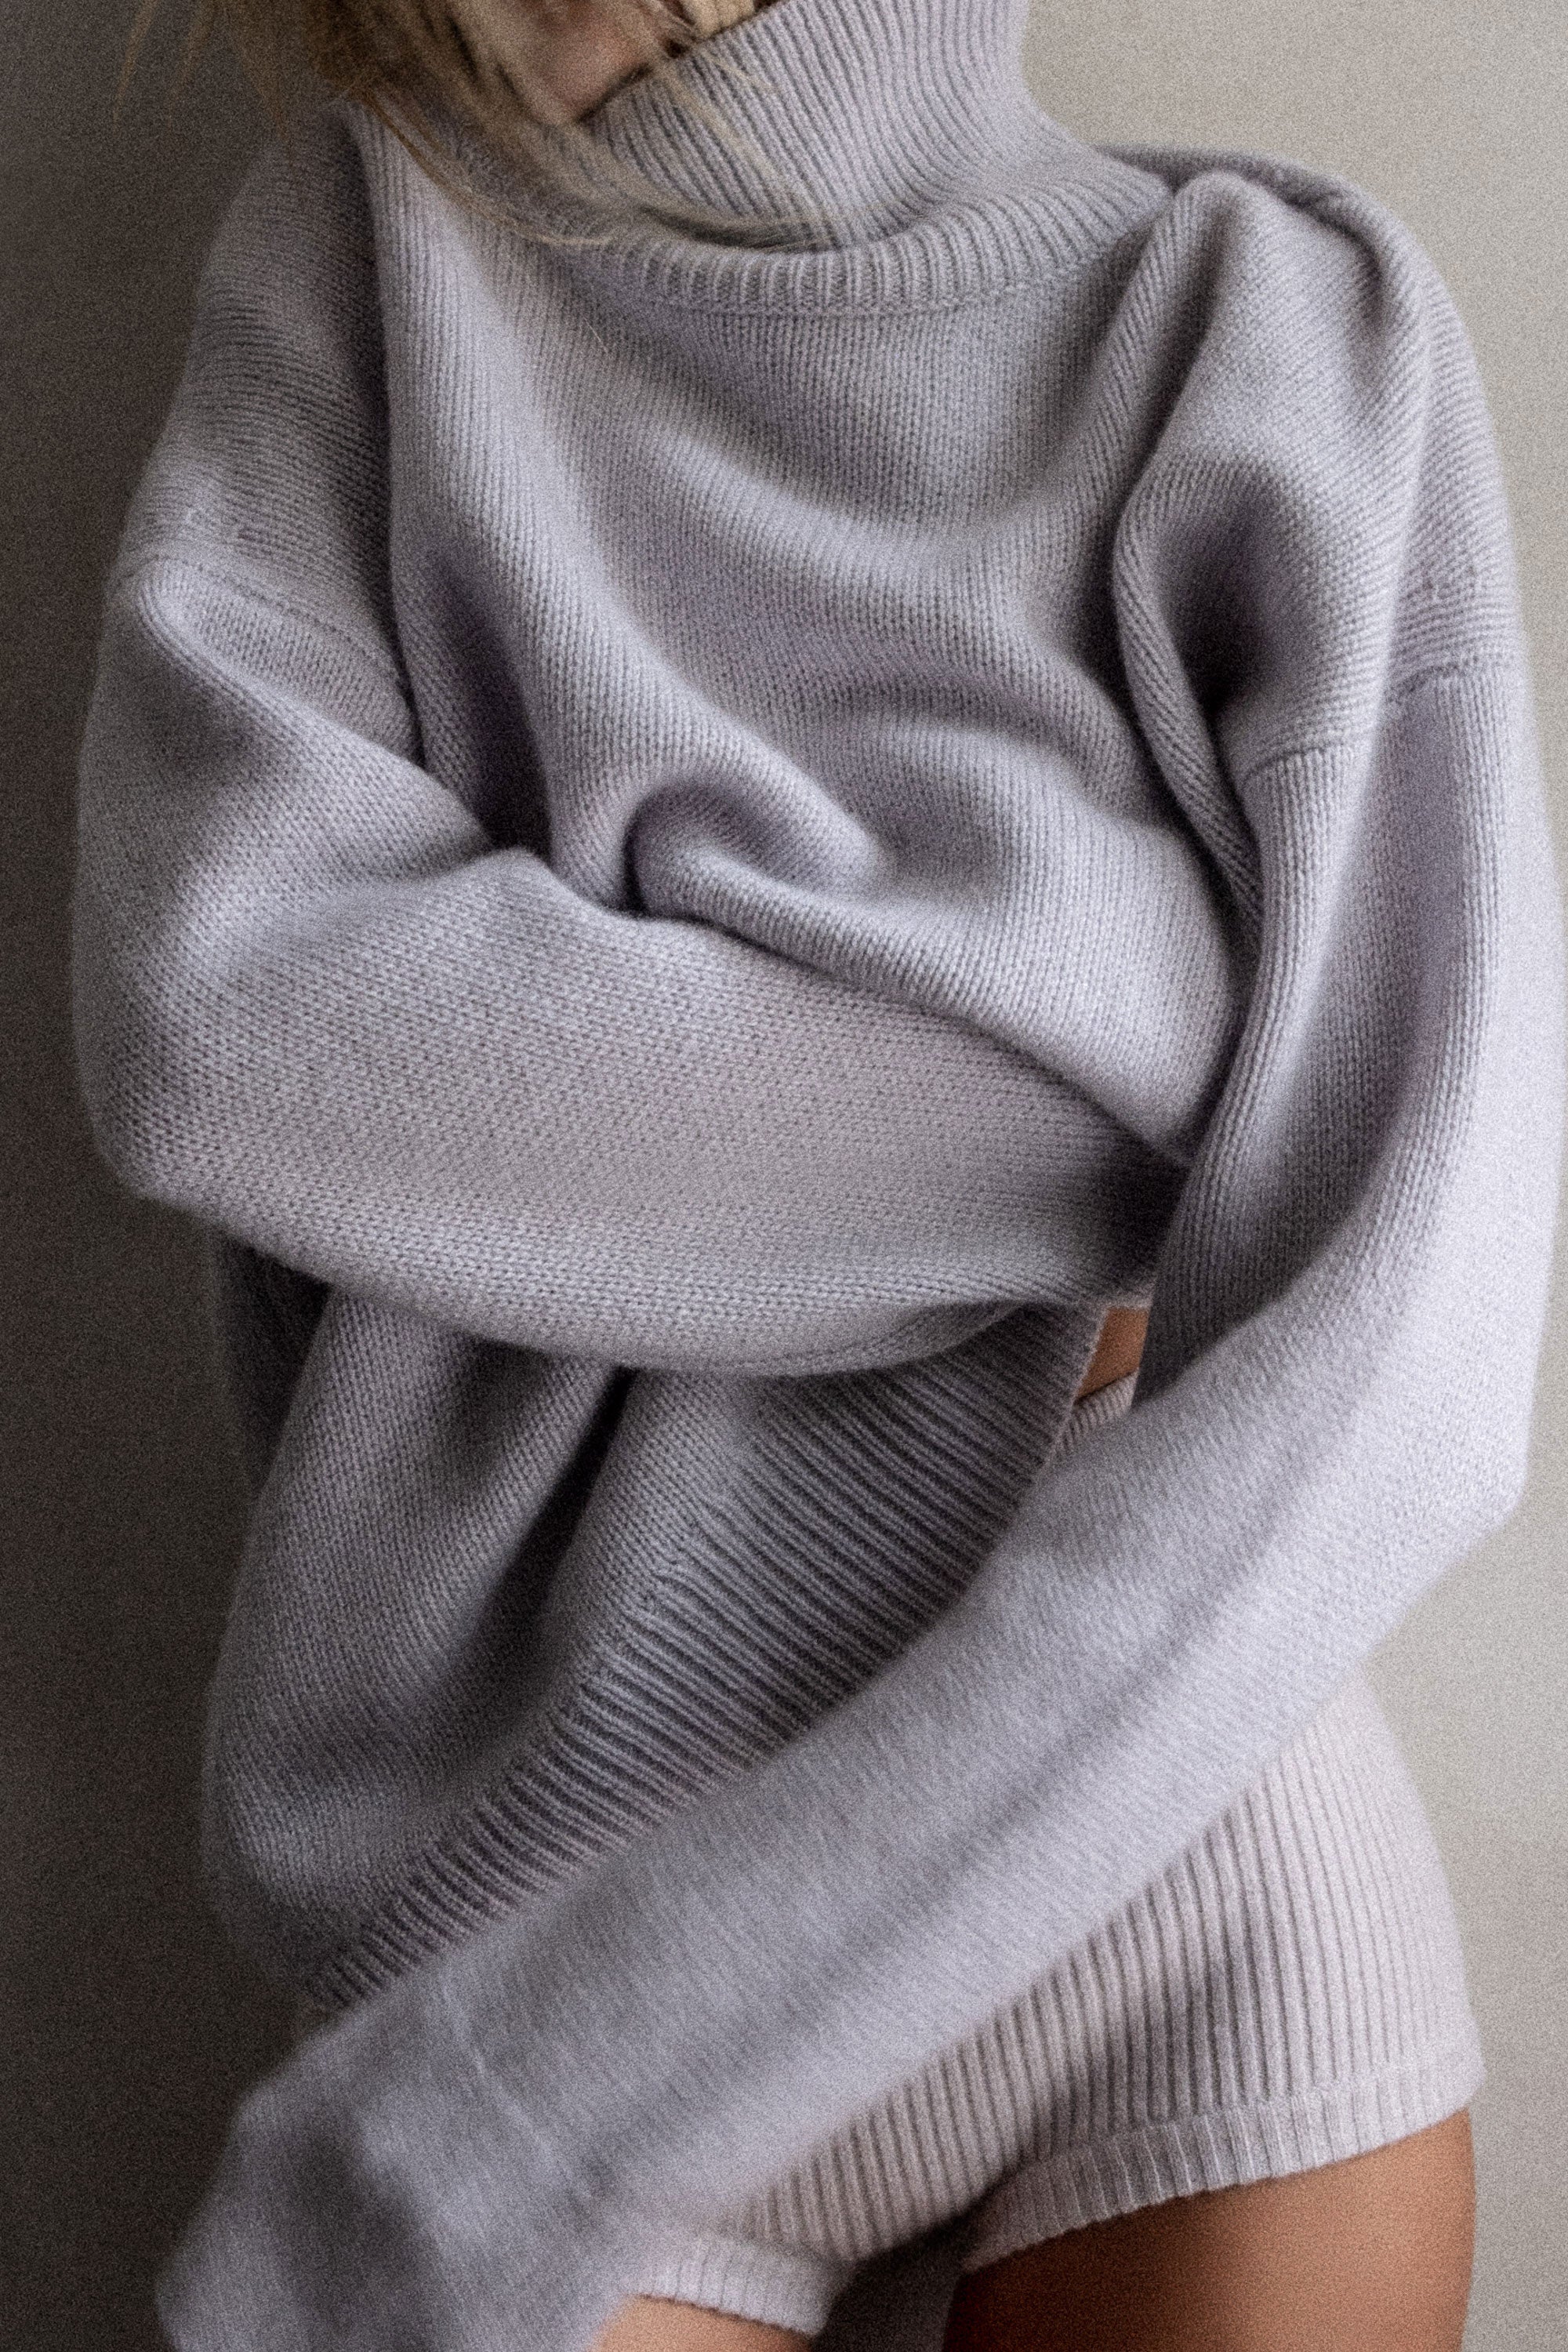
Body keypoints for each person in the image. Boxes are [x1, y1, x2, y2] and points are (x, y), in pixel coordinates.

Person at [73, 3, 1563, 2350]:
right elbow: (219, 1022)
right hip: (528, 1870)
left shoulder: (1266, 326)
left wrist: (531, 2117)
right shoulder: (367, 257)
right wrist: (1140, 1066)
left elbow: (1419, 1354)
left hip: (1166, 1854)